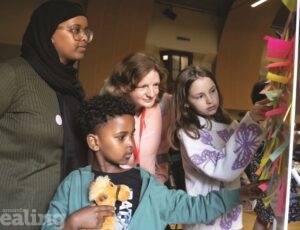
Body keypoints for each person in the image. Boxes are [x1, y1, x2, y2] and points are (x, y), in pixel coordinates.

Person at [42, 93, 266, 230]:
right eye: (121, 137)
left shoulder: (148, 185)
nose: (131, 143)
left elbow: (194, 207)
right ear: (94, 142)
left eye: (132, 134)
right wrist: (72, 224)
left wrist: (239, 195)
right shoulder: (73, 184)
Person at [0, 1, 93, 228]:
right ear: (49, 33)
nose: (83, 38)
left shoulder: (73, 89)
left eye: (86, 32)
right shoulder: (14, 75)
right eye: (75, 30)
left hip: (58, 216)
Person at [170, 66, 271, 230]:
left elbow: (238, 170)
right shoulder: (190, 133)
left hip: (231, 216)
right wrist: (251, 119)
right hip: (204, 219)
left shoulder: (229, 124)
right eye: (200, 96)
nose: (210, 100)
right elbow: (223, 169)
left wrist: (247, 191)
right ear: (186, 102)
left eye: (212, 91)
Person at [100, 51, 173, 183]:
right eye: (144, 86)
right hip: (117, 188)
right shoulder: (106, 114)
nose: (152, 94)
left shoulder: (161, 104)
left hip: (149, 189)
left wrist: (160, 179)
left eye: (155, 85)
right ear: (124, 87)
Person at [244, 80, 275, 230]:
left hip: (259, 175)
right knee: (270, 216)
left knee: (264, 216)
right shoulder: (263, 121)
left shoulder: (253, 121)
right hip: (264, 175)